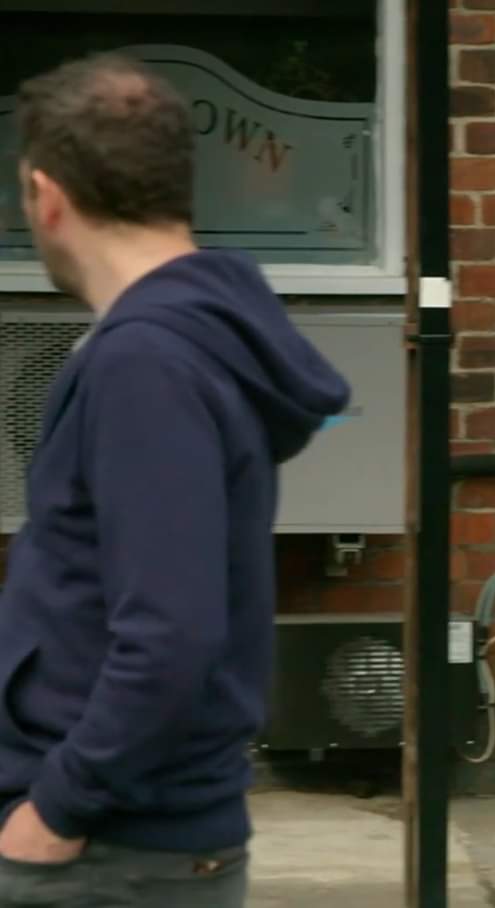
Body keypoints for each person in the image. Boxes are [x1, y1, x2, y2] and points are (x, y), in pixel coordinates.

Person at [0, 53, 349, 906]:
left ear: (48, 195)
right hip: (126, 843)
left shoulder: (146, 362)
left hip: (111, 852)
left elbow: (170, 631)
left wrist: (57, 808)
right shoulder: (180, 341)